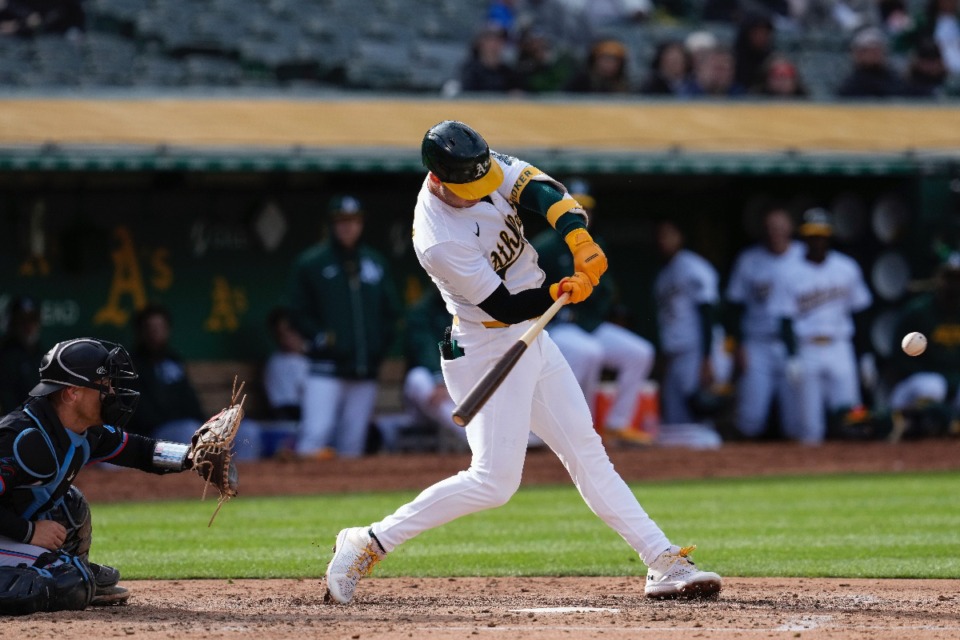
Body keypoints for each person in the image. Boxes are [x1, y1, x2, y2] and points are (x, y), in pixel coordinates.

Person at [323, 120, 721, 605]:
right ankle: (367, 541)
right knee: (493, 481)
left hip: (531, 339)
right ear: (437, 179)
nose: (481, 191)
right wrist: (558, 290)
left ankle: (663, 561)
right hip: (484, 345)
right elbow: (503, 307)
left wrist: (578, 239)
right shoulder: (437, 238)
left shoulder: (481, 166)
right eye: (469, 188)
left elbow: (542, 191)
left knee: (586, 451)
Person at [0, 337, 205, 614]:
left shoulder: (85, 431)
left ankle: (63, 572)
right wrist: (29, 532)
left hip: (9, 530)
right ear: (72, 392)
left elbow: (139, 450)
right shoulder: (23, 438)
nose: (111, 392)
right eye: (104, 385)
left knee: (72, 507)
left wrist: (194, 456)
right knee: (70, 581)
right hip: (12, 530)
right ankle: (62, 575)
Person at [530, 179, 656, 446]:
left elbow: (606, 292)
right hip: (556, 325)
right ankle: (574, 427)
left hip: (588, 324)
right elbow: (528, 292)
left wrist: (594, 298)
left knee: (640, 353)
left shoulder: (594, 244)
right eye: (573, 209)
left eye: (584, 209)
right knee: (590, 353)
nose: (579, 215)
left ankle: (616, 425)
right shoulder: (545, 247)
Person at [286, 194, 402, 460]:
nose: (347, 227)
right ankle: (300, 496)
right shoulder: (312, 263)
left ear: (361, 224)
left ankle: (345, 493)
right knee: (315, 435)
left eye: (352, 221)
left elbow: (391, 314)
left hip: (364, 371)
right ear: (331, 224)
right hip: (324, 370)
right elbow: (295, 312)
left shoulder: (375, 263)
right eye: (341, 221)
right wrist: (321, 338)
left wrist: (376, 349)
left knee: (353, 442)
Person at [769, 208, 873, 445]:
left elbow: (861, 314)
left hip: (840, 346)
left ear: (829, 236)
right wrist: (791, 356)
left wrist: (865, 354)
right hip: (807, 348)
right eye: (812, 236)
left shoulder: (846, 267)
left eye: (821, 235)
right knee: (809, 425)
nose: (817, 241)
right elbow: (784, 319)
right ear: (803, 237)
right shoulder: (789, 272)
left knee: (851, 416)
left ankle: (855, 470)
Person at [125, 304, 263, 461]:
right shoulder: (131, 364)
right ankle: (190, 484)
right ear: (140, 332)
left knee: (247, 431)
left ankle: (239, 483)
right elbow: (140, 414)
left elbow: (191, 402)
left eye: (160, 327)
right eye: (150, 328)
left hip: (190, 426)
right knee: (187, 430)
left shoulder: (173, 360)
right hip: (154, 435)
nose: (155, 333)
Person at [725, 205, 805, 440]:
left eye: (780, 227)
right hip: (757, 342)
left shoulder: (803, 255)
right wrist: (738, 345)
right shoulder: (749, 259)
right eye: (770, 228)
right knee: (750, 417)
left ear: (790, 227)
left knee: (797, 419)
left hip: (797, 343)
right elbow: (734, 307)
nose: (775, 232)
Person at [653, 219, 724, 429]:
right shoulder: (663, 275)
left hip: (697, 349)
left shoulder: (694, 267)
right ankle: (684, 463)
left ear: (680, 237)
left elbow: (708, 313)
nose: (663, 240)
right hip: (675, 352)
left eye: (669, 234)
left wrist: (707, 358)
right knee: (675, 416)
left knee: (700, 410)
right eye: (660, 236)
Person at [886, 251, 960, 440]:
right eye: (949, 278)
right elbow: (900, 359)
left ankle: (949, 427)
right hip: (915, 387)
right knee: (934, 385)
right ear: (938, 279)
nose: (953, 285)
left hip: (954, 386)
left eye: (957, 279)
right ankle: (915, 425)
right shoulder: (918, 312)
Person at [262, 307, 309, 422]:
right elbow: (285, 409)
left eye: (291, 331)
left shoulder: (312, 357)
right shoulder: (277, 363)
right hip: (292, 418)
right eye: (281, 334)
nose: (287, 338)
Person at [837, 27, 912, 98]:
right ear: (857, 54)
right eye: (868, 50)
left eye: (877, 50)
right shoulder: (851, 86)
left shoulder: (895, 80)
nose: (874, 54)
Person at [0, 296, 45, 414]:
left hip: (41, 424)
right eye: (22, 321)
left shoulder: (44, 355)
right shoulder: (5, 357)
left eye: (32, 320)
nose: (28, 326)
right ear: (12, 323)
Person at [563, 38, 632, 93]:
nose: (609, 64)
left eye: (614, 60)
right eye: (605, 59)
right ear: (594, 60)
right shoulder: (581, 81)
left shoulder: (624, 85)